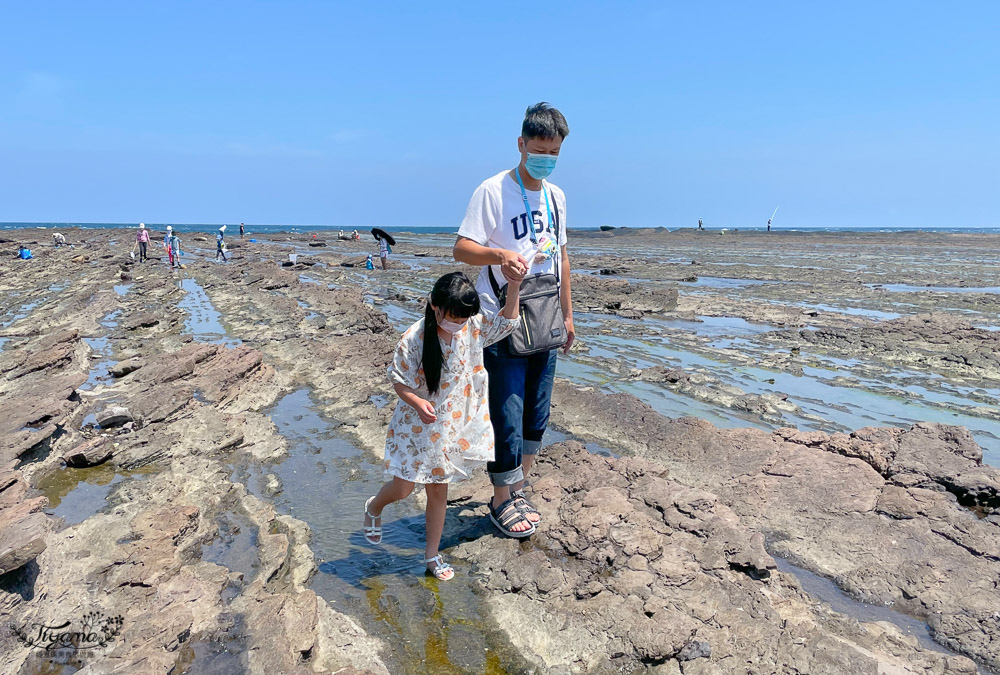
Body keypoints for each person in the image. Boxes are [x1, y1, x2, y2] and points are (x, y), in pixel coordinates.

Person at [453, 102, 574, 537]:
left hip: (546, 315)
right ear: (521, 144)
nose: (546, 158)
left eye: (554, 152)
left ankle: (518, 486)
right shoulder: (492, 191)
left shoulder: (557, 196)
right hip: (502, 318)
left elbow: (561, 257)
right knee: (507, 409)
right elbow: (462, 249)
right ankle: (500, 498)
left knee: (536, 412)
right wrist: (499, 255)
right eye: (539, 149)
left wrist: (569, 315)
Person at [363, 271, 521, 579]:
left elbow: (507, 323)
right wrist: (417, 401)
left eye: (463, 318)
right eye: (453, 318)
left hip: (448, 427)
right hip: (414, 426)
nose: (458, 324)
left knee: (438, 494)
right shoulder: (415, 338)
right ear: (435, 305)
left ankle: (432, 557)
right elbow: (399, 381)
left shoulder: (471, 326)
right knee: (404, 488)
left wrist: (514, 286)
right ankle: (374, 507)